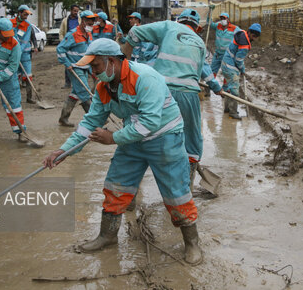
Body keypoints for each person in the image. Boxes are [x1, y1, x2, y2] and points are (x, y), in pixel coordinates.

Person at [43, 39, 202, 265]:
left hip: (164, 138)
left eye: (96, 66)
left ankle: (192, 243)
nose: (93, 72)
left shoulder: (145, 78)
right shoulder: (103, 87)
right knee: (115, 186)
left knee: (176, 193)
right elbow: (90, 123)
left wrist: (113, 138)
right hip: (132, 139)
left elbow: (149, 122)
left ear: (111, 61)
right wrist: (63, 151)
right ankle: (107, 236)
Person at [123, 9, 222, 187]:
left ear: (179, 21)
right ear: (197, 28)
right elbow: (206, 74)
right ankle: (186, 187)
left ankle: (129, 194)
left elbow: (134, 32)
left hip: (159, 92)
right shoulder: (200, 42)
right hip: (188, 95)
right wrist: (217, 89)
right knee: (191, 141)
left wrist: (124, 67)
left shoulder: (168, 27)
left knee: (139, 135)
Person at [56, 10, 97, 126]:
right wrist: (67, 63)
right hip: (75, 68)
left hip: (85, 67)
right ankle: (94, 121)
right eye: (89, 21)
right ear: (82, 21)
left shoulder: (89, 34)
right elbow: (60, 49)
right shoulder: (73, 34)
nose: (91, 23)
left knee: (76, 93)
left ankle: (63, 118)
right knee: (85, 93)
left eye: (92, 21)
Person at [220, 23, 261, 119]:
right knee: (235, 91)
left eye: (256, 37)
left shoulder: (242, 33)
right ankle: (233, 112)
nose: (254, 38)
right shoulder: (245, 45)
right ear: (249, 32)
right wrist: (242, 69)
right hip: (230, 66)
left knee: (229, 88)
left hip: (225, 63)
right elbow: (238, 60)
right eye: (253, 36)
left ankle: (227, 109)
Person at [11, 4, 38, 104]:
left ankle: (29, 97)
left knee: (28, 75)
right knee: (14, 76)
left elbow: (26, 40)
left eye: (27, 14)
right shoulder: (10, 23)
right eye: (25, 14)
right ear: (19, 13)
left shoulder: (28, 26)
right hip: (12, 54)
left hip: (24, 54)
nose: (26, 16)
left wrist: (19, 51)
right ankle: (14, 98)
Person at [59, 4, 81, 88]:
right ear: (71, 10)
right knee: (67, 64)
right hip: (68, 45)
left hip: (78, 44)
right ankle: (68, 83)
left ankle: (78, 82)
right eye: (75, 11)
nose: (76, 12)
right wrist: (63, 42)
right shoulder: (65, 21)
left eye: (77, 11)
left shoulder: (80, 20)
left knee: (78, 63)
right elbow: (61, 33)